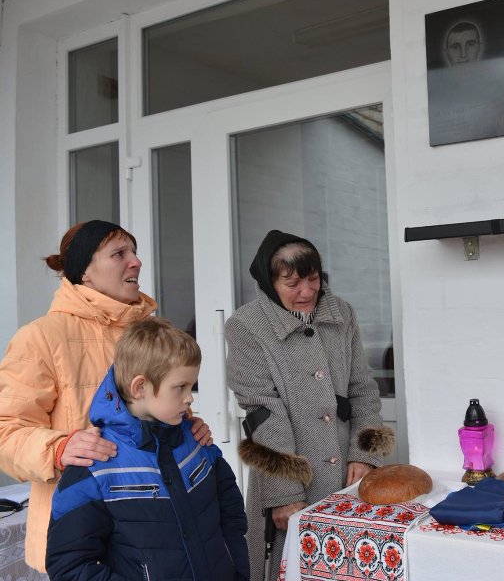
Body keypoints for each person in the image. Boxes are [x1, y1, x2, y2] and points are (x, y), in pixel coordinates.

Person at [0, 220, 211, 574]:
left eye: (135, 252)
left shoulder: (152, 332)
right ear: (85, 271)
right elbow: (6, 430)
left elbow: (159, 412)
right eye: (119, 254)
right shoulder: (41, 338)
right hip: (80, 537)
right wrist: (58, 448)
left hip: (158, 531)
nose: (136, 261)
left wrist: (188, 428)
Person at [226, 230, 395, 581]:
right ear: (270, 283)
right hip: (290, 481)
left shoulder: (341, 314)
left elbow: (363, 390)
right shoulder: (246, 326)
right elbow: (263, 414)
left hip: (346, 476)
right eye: (292, 284)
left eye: (313, 279)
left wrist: (364, 455)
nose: (306, 292)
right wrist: (284, 493)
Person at [45, 318, 249, 580]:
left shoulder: (196, 441)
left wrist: (239, 571)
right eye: (180, 387)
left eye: (191, 386)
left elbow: (232, 519)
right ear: (140, 387)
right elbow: (69, 566)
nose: (189, 398)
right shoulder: (95, 466)